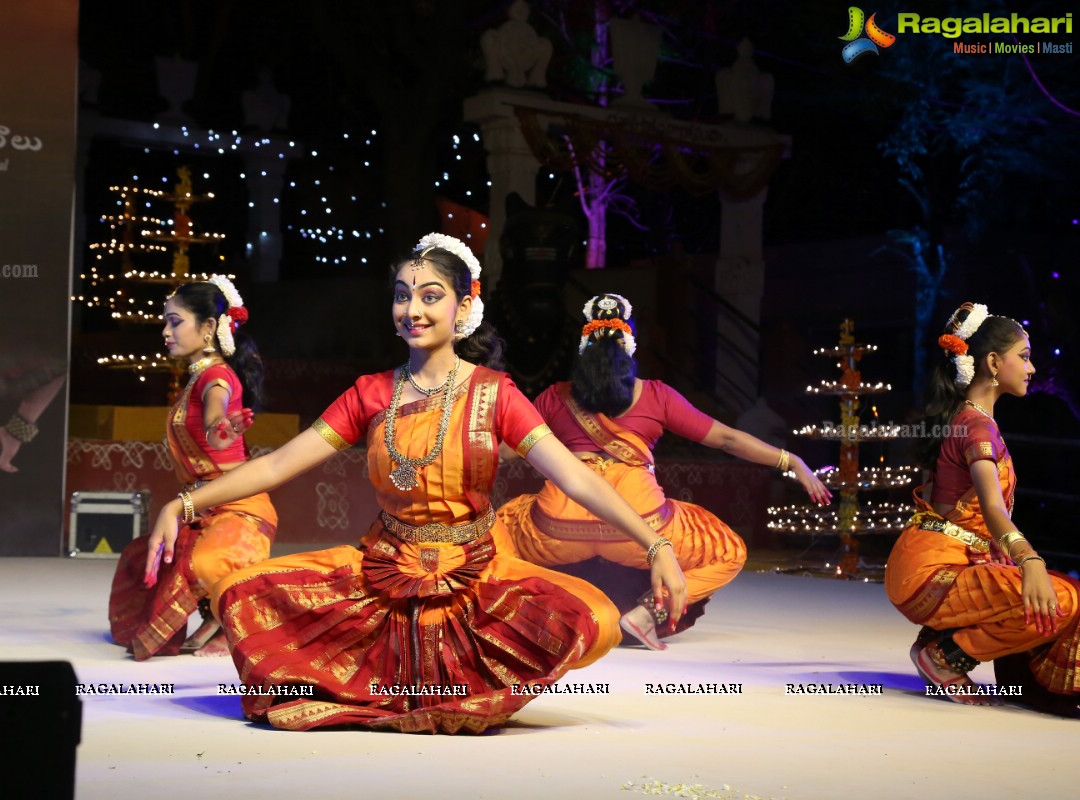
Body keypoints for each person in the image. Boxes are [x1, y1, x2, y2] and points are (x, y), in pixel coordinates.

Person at [145, 234, 687, 734]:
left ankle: (436, 684)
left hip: (474, 574)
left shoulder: (495, 393)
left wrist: (654, 543)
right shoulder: (371, 393)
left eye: (431, 296)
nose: (413, 310)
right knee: (241, 596)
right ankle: (392, 686)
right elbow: (276, 465)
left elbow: (572, 474)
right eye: (403, 296)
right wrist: (184, 501)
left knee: (596, 618)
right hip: (382, 569)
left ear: (464, 307)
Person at [498, 294, 832, 650]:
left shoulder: (554, 396)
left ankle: (529, 614)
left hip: (557, 529)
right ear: (630, 348)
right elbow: (727, 439)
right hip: (641, 529)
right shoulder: (656, 396)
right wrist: (790, 460)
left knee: (500, 529)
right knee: (727, 550)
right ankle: (645, 614)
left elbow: (504, 452)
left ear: (583, 349)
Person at [886, 302, 1079, 716]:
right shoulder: (976, 426)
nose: (1031, 368)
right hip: (935, 572)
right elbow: (991, 507)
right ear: (993, 362)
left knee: (1057, 593)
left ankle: (941, 640)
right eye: (1024, 357)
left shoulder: (966, 419)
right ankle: (946, 656)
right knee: (1061, 600)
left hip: (938, 562)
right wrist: (1030, 560)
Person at [108, 276, 277, 659]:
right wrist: (219, 433)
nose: (166, 332)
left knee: (201, 562)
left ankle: (230, 619)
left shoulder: (215, 377)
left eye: (175, 321)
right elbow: (215, 432)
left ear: (208, 328)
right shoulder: (200, 376)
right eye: (165, 323)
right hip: (202, 506)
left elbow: (217, 415)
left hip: (238, 508)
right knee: (142, 560)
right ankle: (213, 613)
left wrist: (221, 428)